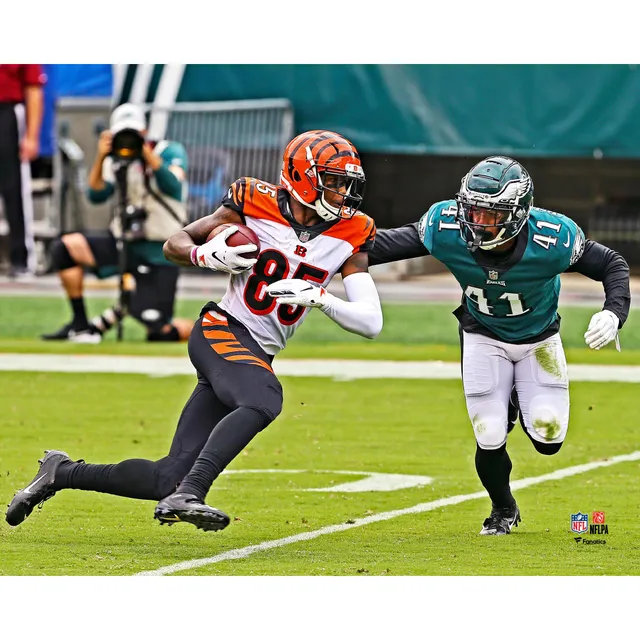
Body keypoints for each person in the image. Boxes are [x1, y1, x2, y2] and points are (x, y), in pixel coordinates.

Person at [6, 129, 383, 532]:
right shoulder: (253, 200)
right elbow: (175, 242)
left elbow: (370, 321)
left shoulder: (353, 230)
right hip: (222, 329)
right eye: (334, 181)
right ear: (302, 176)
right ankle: (192, 493)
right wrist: (206, 253)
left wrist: (321, 298)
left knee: (164, 477)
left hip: (254, 354)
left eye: (346, 183)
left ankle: (61, 472)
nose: (343, 192)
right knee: (264, 398)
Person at [368, 156, 630, 536]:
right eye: (471, 210)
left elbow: (612, 264)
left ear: (519, 212)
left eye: (490, 214)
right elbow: (379, 247)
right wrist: (309, 258)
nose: (476, 222)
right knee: (489, 432)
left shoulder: (551, 239)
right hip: (482, 332)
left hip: (539, 338)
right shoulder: (445, 227)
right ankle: (503, 508)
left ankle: (514, 397)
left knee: (549, 436)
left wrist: (612, 313)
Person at [41, 102, 193, 344]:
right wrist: (102, 156)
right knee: (65, 248)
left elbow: (173, 185)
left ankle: (205, 330)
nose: (128, 142)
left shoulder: (169, 151)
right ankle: (80, 324)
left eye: (133, 135)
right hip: (124, 242)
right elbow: (96, 195)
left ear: (144, 133)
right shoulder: (117, 160)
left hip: (160, 250)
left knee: (159, 331)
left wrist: (145, 154)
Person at [0, 64, 46, 278]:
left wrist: (32, 135)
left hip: (7, 113)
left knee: (14, 190)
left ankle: (21, 259)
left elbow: (33, 88)